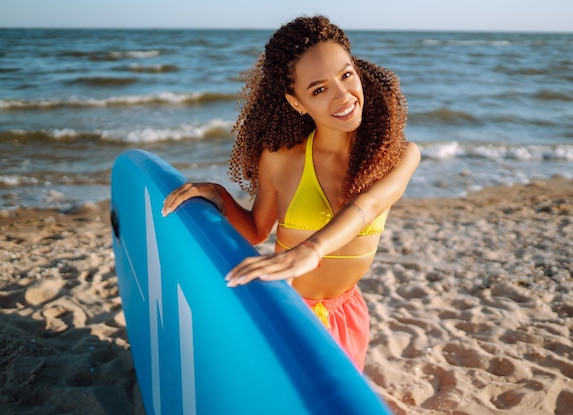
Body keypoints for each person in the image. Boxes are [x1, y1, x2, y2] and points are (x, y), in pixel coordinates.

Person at [162, 15, 420, 372]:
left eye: (346, 75)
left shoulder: (396, 155)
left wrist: (312, 249)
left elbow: (368, 204)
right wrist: (218, 194)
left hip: (346, 310)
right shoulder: (282, 160)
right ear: (297, 102)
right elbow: (256, 230)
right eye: (319, 89)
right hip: (288, 308)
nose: (343, 95)